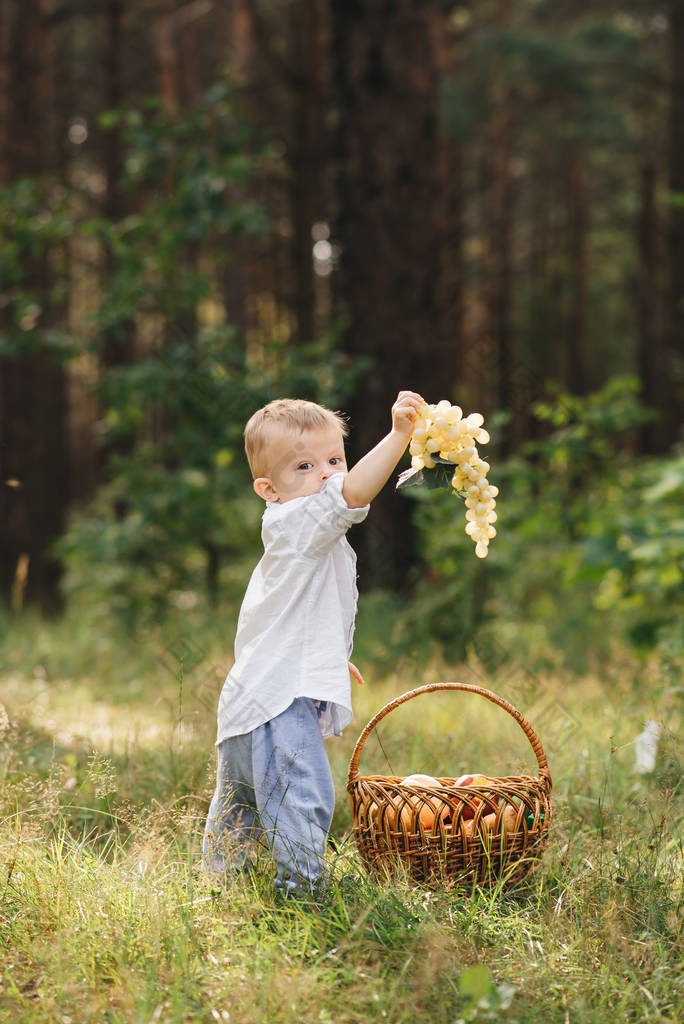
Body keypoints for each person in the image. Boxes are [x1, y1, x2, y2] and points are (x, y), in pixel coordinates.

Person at [203, 389, 424, 894]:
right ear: (268, 489)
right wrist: (399, 435)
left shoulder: (296, 534)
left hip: (250, 700)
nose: (324, 474)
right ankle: (302, 892)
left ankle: (224, 888)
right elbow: (352, 493)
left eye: (333, 459)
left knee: (238, 806)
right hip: (278, 703)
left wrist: (329, 657)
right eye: (303, 466)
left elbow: (280, 616)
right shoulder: (298, 521)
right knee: (301, 796)